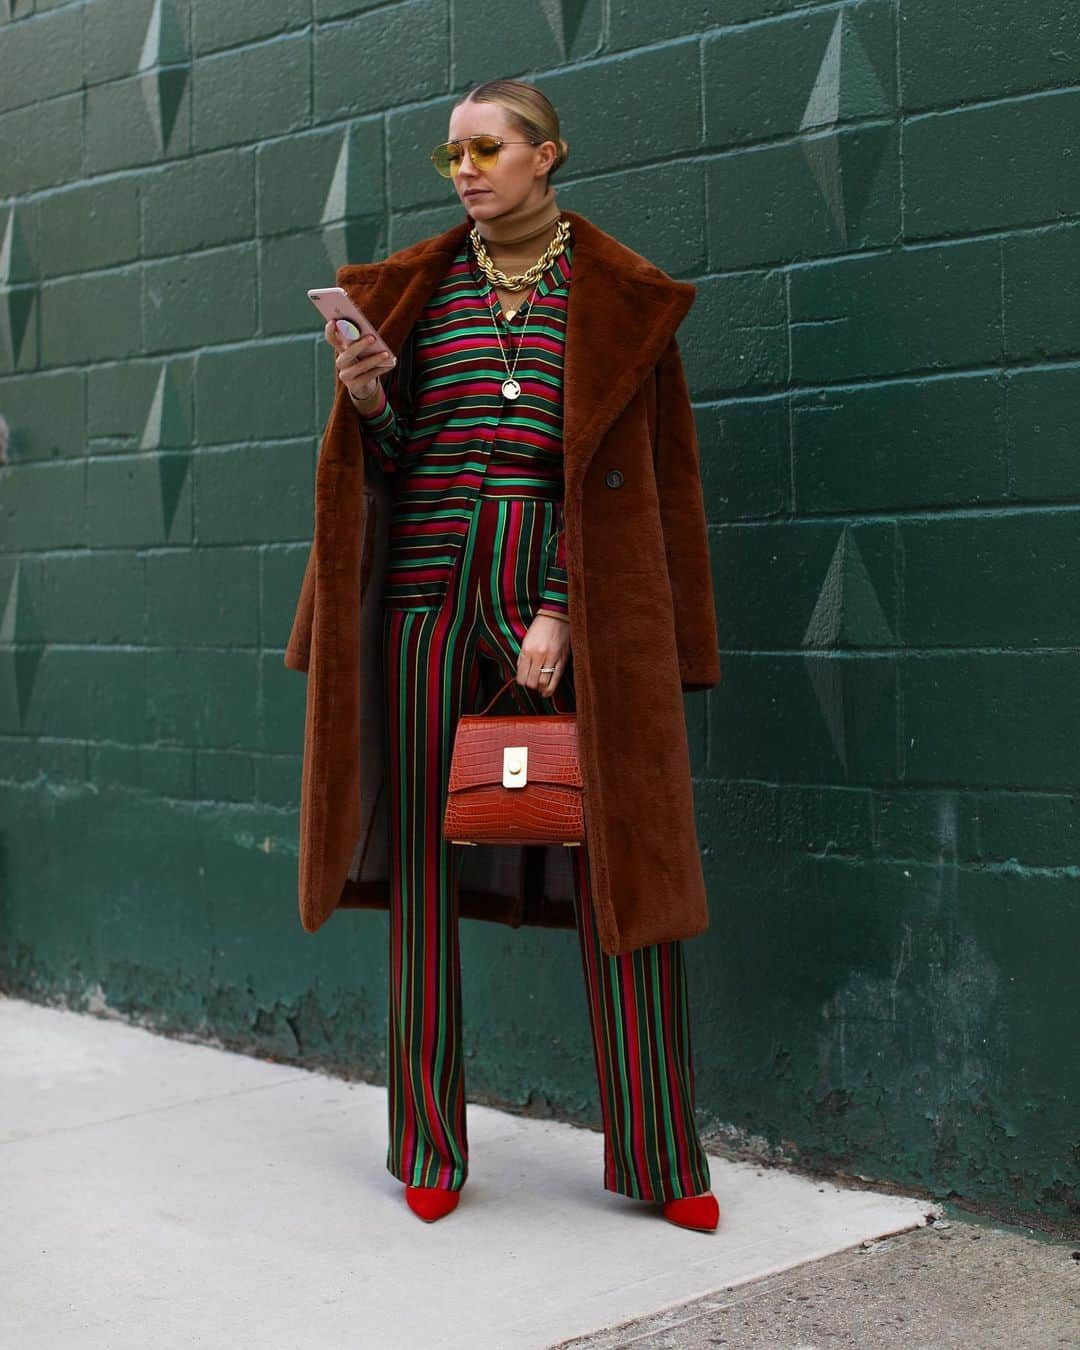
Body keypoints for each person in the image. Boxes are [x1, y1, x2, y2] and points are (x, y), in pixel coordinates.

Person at [321, 78, 720, 1233]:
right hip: (422, 600)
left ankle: (662, 1157)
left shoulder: (619, 296)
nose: (466, 170)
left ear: (547, 155)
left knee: (622, 877)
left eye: (487, 149)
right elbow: (396, 461)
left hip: (563, 596)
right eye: (452, 154)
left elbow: (636, 474)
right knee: (421, 889)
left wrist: (557, 607)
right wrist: (368, 404)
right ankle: (429, 1148)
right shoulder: (415, 289)